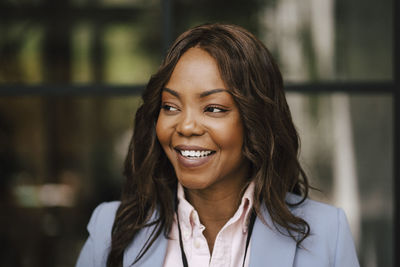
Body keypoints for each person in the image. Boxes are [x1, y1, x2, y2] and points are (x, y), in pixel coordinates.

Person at [76, 23, 360, 267]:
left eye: (213, 108)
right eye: (170, 106)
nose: (186, 126)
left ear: (256, 120)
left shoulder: (326, 233)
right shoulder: (111, 228)